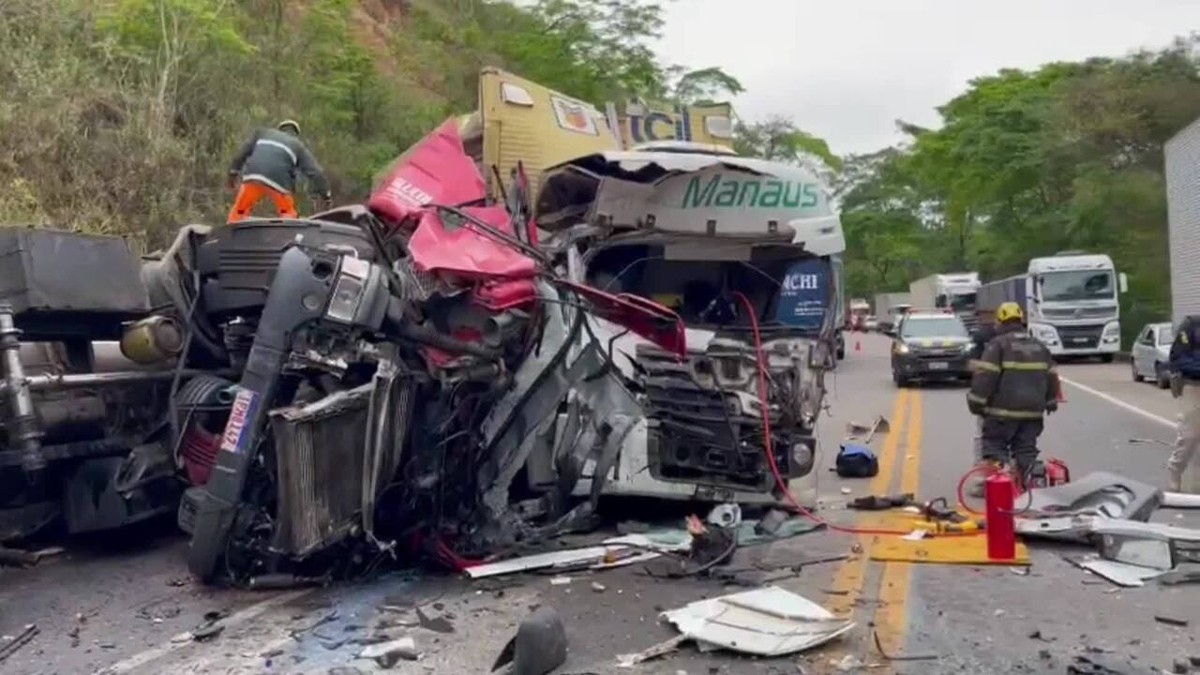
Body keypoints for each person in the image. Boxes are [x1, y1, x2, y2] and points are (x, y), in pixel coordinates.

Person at [966, 301, 1059, 481]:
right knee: (1026, 451)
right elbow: (1052, 377)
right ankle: (1031, 486)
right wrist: (1050, 401)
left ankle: (994, 487)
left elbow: (986, 377)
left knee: (995, 449)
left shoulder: (997, 345)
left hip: (1001, 415)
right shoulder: (1040, 346)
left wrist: (976, 402)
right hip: (1032, 414)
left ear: (1000, 322)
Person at [227, 120, 331, 223]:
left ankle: (231, 228)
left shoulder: (262, 133)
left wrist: (232, 173)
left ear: (279, 129)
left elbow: (241, 154)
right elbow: (315, 172)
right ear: (295, 134)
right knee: (287, 212)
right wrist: (325, 195)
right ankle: (287, 226)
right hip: (279, 183)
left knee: (240, 210)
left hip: (253, 176)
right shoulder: (297, 145)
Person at [1165, 315, 1200, 491]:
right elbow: (1178, 359)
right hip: (1193, 384)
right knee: (1190, 435)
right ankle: (1175, 470)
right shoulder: (1191, 326)